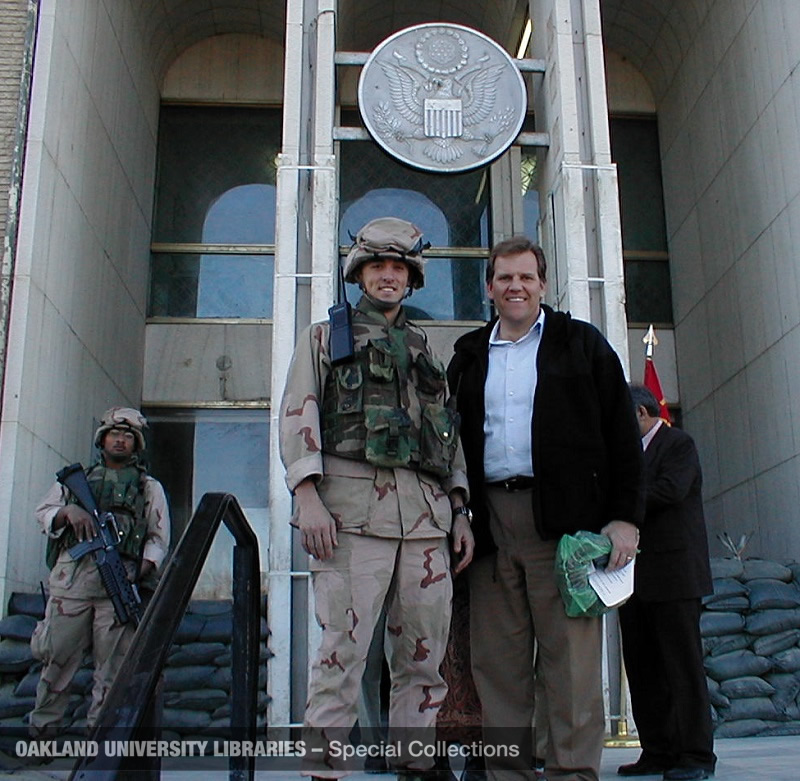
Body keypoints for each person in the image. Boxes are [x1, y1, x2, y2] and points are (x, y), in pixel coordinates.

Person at [279, 217, 474, 779]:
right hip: (351, 517)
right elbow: (298, 415)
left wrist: (459, 511)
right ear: (359, 272)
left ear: (412, 279)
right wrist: (307, 497)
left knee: (423, 656)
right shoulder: (325, 337)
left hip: (425, 520)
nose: (388, 277)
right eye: (377, 266)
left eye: (398, 268)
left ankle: (415, 765)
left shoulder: (423, 348)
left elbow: (446, 436)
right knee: (341, 654)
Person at [447, 236, 644, 781]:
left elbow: (623, 436)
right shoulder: (467, 355)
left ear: (543, 283)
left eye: (526, 277)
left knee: (572, 667)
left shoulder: (581, 346)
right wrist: (458, 512)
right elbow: (450, 444)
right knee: (497, 667)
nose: (515, 286)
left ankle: (572, 773)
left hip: (564, 527)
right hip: (488, 524)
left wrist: (625, 518)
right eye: (504, 278)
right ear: (489, 287)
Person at [28, 407, 170, 736]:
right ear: (102, 440)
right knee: (57, 663)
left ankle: (101, 746)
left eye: (127, 437)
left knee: (113, 673)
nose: (120, 441)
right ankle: (42, 735)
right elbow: (43, 513)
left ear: (137, 445)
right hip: (72, 585)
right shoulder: (74, 482)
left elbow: (158, 540)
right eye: (114, 435)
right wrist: (68, 512)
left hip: (117, 587)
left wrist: (139, 570)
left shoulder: (148, 488)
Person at [617, 385, 716, 780]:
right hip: (632, 579)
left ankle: (696, 756)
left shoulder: (678, 444)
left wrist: (618, 503)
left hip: (676, 576)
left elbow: (670, 490)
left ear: (643, 413)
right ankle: (657, 750)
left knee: (683, 668)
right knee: (642, 668)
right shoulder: (626, 456)